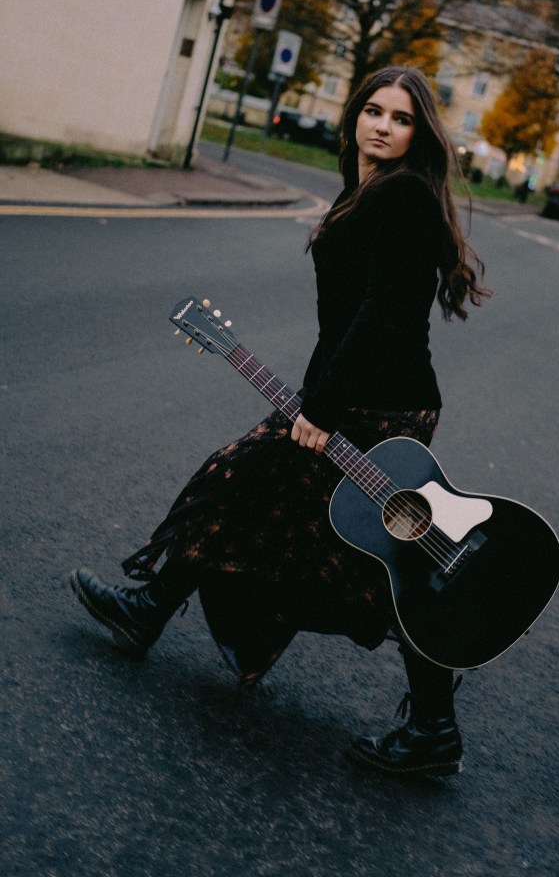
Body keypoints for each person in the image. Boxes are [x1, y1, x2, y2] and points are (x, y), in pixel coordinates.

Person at [70, 66, 490, 778]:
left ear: (419, 133)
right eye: (374, 111)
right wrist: (312, 395)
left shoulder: (406, 198)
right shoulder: (367, 191)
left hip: (379, 407)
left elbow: (383, 315)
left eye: (402, 117)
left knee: (372, 553)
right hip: (348, 394)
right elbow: (344, 322)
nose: (383, 125)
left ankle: (433, 726)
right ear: (354, 115)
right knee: (261, 497)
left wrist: (321, 410)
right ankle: (152, 609)